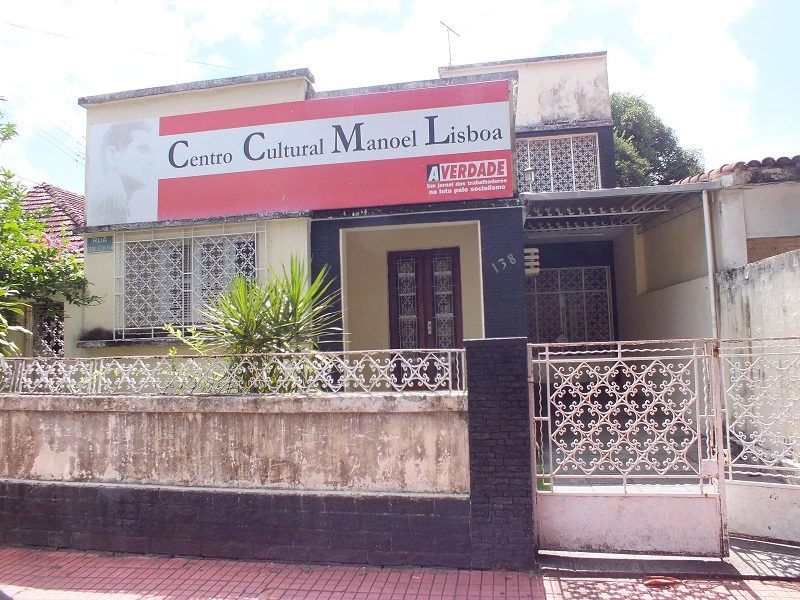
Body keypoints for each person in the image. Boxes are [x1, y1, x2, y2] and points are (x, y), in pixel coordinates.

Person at [87, 120, 156, 226]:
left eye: (152, 153)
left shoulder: (117, 201)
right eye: (142, 150)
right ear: (112, 155)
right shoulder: (109, 199)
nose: (151, 160)